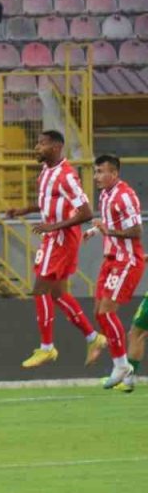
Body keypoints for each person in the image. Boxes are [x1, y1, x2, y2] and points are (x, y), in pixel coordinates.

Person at [6, 130, 104, 368]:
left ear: (56, 147)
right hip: (55, 236)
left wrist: (53, 226)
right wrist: (23, 210)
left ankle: (47, 348)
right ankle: (94, 337)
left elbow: (87, 212)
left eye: (42, 144)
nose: (37, 148)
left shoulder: (67, 176)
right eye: (37, 143)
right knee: (58, 293)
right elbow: (45, 202)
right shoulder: (45, 172)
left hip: (61, 237)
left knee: (40, 289)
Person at [85, 154, 144, 388]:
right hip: (110, 259)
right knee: (99, 312)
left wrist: (108, 231)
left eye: (101, 172)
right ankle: (120, 365)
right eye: (96, 172)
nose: (97, 177)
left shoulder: (125, 196)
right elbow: (109, 224)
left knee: (108, 311)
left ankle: (121, 366)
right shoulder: (106, 195)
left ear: (115, 173)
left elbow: (136, 230)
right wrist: (94, 232)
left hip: (126, 260)